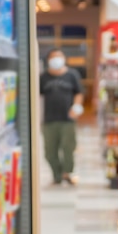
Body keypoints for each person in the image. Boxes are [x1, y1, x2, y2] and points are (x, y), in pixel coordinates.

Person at [40, 48, 84, 185]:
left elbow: (79, 92)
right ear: (48, 60)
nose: (57, 59)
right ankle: (57, 175)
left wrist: (76, 107)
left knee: (68, 148)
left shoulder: (72, 75)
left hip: (68, 119)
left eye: (59, 56)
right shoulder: (43, 78)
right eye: (53, 57)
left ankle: (68, 173)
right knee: (49, 151)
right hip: (49, 120)